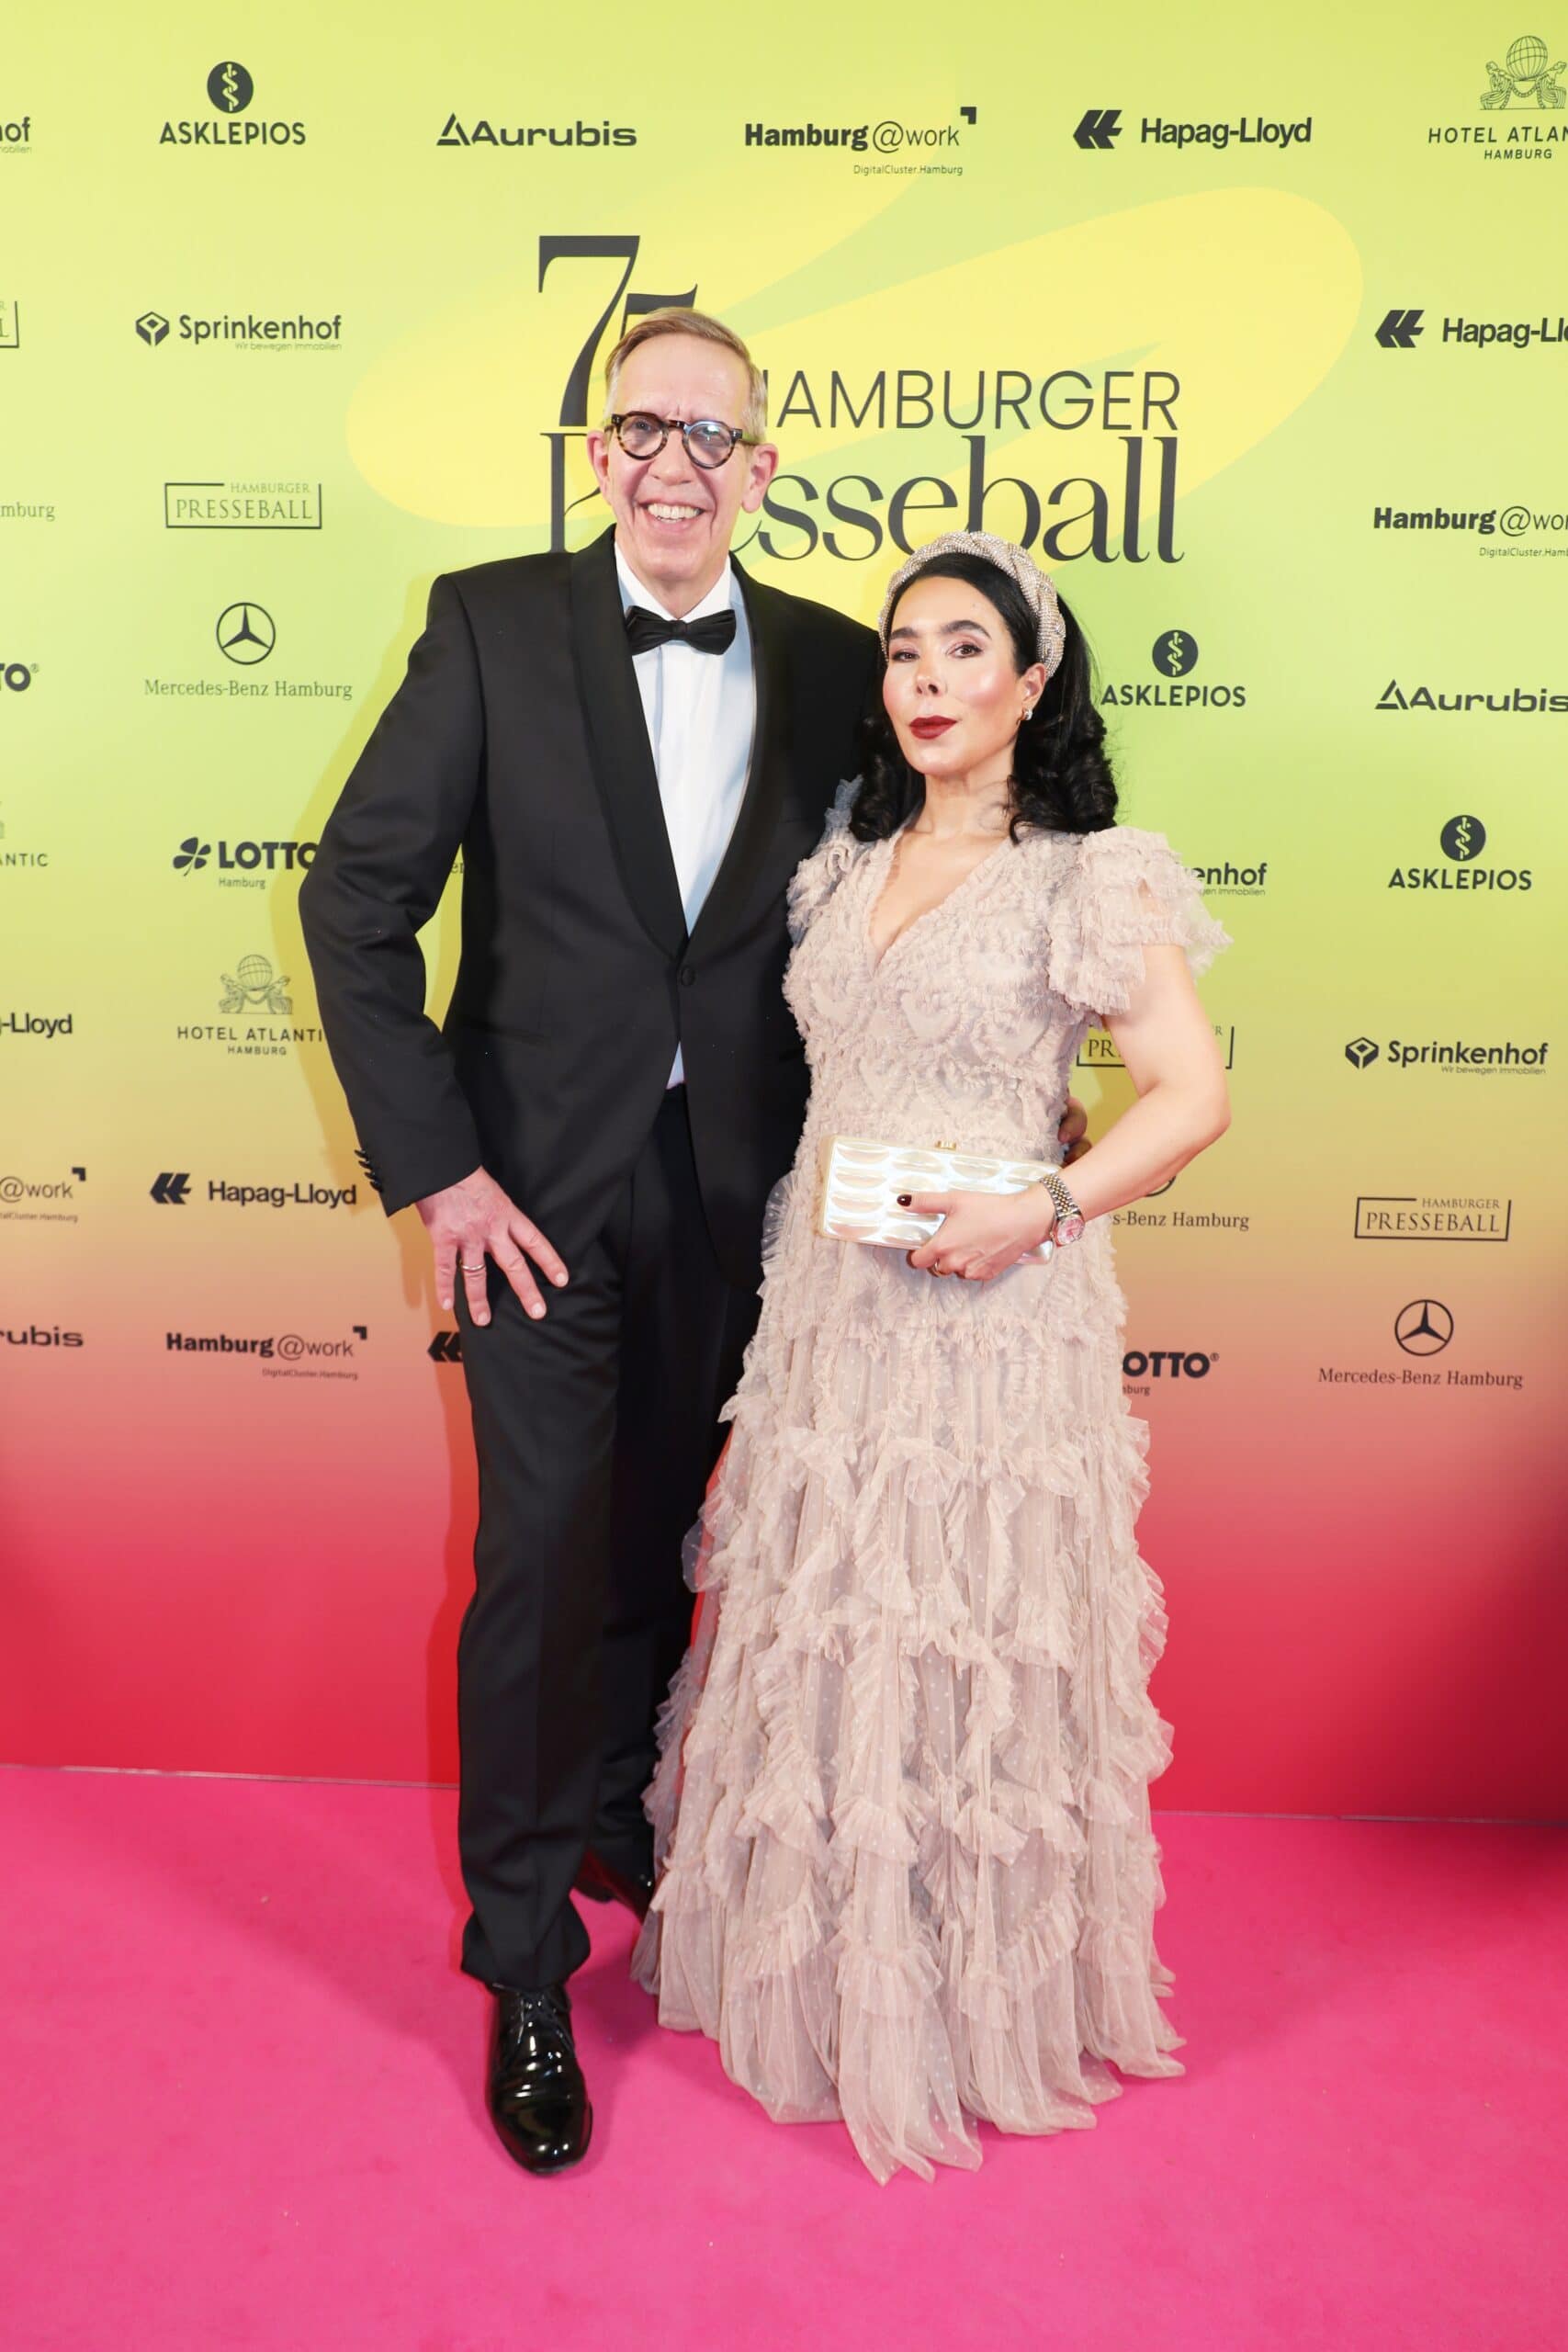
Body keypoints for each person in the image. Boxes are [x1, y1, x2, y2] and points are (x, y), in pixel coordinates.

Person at [299, 309, 1096, 2174]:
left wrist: (1025, 1080)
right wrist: (436, 1172)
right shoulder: (490, 624)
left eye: (707, 435)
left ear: (756, 465)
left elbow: (946, 857)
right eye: (638, 426)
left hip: (756, 1202)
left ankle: (611, 1816)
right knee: (534, 1554)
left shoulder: (837, 661)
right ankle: (520, 1959)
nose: (670, 462)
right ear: (599, 452)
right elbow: (357, 898)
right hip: (527, 1202)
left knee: (668, 1533)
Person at [632, 531, 1232, 2185]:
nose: (928, 682)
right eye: (906, 653)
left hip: (994, 1317)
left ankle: (965, 2001)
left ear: (1033, 682)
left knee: (964, 1623)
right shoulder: (840, 857)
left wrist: (1038, 1202)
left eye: (967, 651)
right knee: (834, 1609)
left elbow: (1191, 1098)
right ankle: (818, 1969)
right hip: (832, 1307)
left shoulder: (1091, 875)